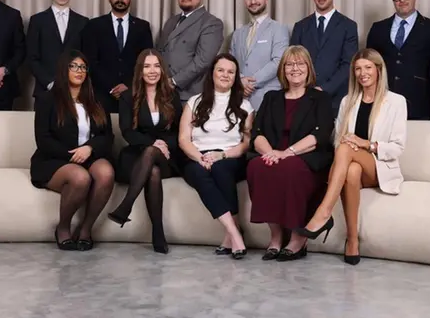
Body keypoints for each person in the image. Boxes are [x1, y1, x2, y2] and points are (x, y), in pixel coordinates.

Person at [296, 48, 407, 266]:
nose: (362, 73)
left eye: (368, 67)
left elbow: (397, 148)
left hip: (379, 166)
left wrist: (367, 144)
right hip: (352, 165)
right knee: (352, 168)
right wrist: (350, 143)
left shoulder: (396, 101)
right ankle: (353, 241)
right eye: (357, 69)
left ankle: (324, 212)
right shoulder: (348, 101)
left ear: (378, 69)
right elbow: (337, 139)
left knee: (347, 148)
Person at [247, 45, 334, 262]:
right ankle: (276, 236)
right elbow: (257, 133)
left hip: (307, 157)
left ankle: (297, 238)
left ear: (308, 68)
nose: (295, 68)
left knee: (290, 168)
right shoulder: (271, 98)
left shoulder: (320, 98)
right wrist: (271, 153)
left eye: (300, 63)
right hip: (274, 153)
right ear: (283, 70)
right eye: (289, 64)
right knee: (257, 166)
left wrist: (286, 153)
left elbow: (320, 135)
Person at [30, 50, 115, 251]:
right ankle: (63, 228)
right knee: (80, 177)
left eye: (83, 67)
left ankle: (85, 229)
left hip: (88, 155)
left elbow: (108, 136)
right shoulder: (48, 99)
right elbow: (43, 140)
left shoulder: (97, 100)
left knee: (106, 173)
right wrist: (74, 155)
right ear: (64, 69)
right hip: (54, 159)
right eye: (74, 66)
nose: (79, 71)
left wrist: (89, 148)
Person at [178, 53, 254, 260]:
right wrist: (200, 158)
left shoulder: (245, 106)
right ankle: (235, 232)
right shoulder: (194, 102)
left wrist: (222, 155)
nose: (225, 75)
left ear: (236, 77)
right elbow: (184, 139)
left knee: (221, 169)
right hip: (197, 156)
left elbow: (246, 144)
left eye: (231, 72)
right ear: (212, 73)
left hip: (230, 157)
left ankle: (231, 237)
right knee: (198, 173)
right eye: (221, 70)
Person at [107, 49, 183, 254]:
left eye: (157, 66)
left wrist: (162, 145)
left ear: (162, 70)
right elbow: (127, 131)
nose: (152, 71)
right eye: (147, 66)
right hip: (137, 155)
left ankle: (126, 206)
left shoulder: (172, 95)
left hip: (167, 156)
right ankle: (158, 233)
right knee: (152, 171)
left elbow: (179, 131)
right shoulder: (127, 97)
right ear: (140, 70)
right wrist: (153, 142)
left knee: (153, 156)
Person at [366, 0, 430, 120]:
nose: (402, 0)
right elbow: (369, 65)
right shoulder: (378, 28)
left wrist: (426, 90)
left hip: (419, 103)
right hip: (382, 102)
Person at [81, 0, 154, 113]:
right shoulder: (94, 25)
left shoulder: (142, 27)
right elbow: (89, 61)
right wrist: (111, 87)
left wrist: (128, 86)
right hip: (101, 95)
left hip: (133, 95)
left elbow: (146, 61)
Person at [290, 0, 358, 113]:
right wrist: (305, 90)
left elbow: (348, 64)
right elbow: (293, 62)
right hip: (303, 97)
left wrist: (324, 89)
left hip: (336, 100)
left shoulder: (348, 26)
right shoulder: (300, 26)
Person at [157, 0, 224, 102]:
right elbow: (160, 53)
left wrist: (174, 81)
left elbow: (203, 61)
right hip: (164, 93)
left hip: (190, 95)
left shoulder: (211, 23)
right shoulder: (171, 21)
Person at [27, 0, 89, 105]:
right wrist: (49, 83)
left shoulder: (83, 22)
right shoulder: (37, 21)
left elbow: (86, 57)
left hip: (76, 92)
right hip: (45, 91)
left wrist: (74, 82)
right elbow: (32, 58)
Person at [229, 0, 289, 110]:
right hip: (239, 98)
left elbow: (278, 61)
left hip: (267, 98)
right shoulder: (237, 34)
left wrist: (249, 83)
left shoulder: (279, 29)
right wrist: (240, 81)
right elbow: (231, 63)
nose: (253, 1)